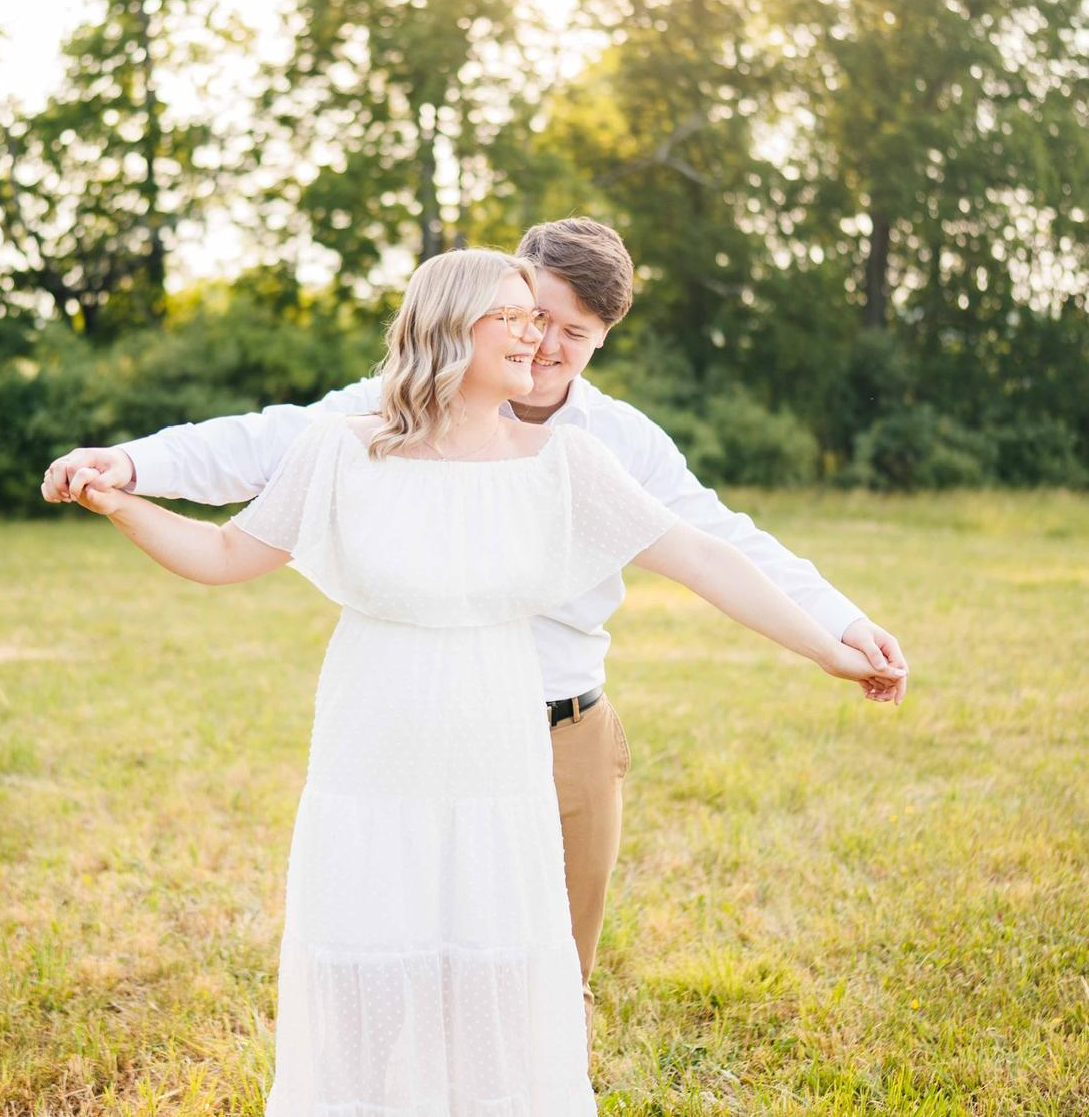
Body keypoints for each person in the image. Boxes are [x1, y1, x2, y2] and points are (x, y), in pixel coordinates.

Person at [53, 249, 903, 1110]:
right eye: (521, 317)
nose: (541, 339)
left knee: (514, 991)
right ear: (452, 326)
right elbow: (225, 545)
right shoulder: (344, 445)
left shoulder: (575, 458)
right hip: (373, 768)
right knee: (366, 985)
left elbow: (710, 554)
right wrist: (122, 490)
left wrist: (830, 642)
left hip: (508, 765)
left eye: (561, 327)